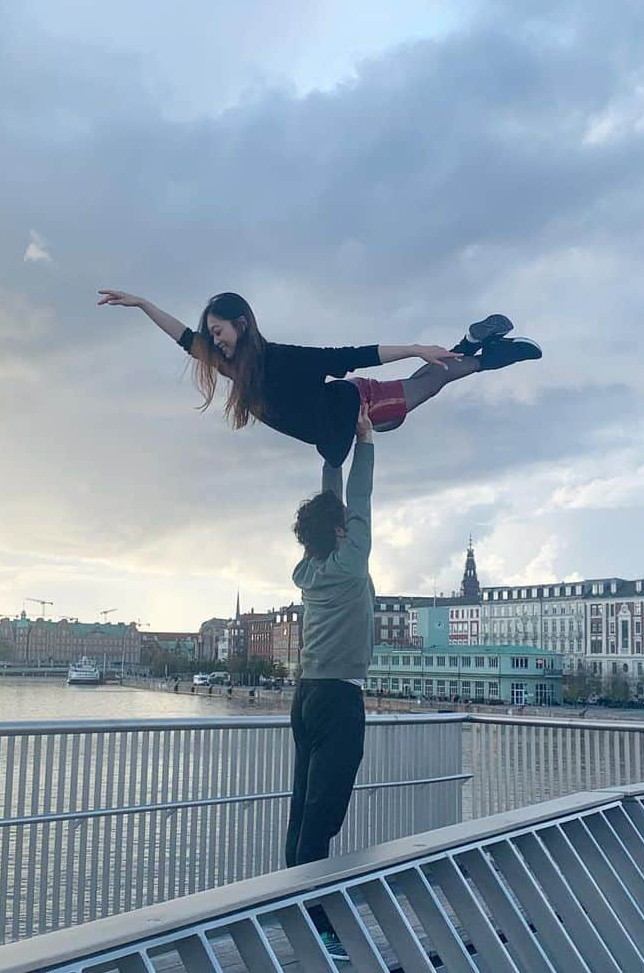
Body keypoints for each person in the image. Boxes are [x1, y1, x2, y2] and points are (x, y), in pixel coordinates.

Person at [96, 289, 540, 468]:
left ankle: (489, 357)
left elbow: (352, 355)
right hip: (348, 414)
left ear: (242, 325)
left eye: (219, 332)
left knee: (428, 383)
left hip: (356, 407)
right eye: (211, 334)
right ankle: (468, 344)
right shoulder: (237, 368)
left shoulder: (281, 359)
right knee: (427, 384)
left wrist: (415, 348)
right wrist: (142, 304)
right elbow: (184, 337)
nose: (214, 342)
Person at [282, 403, 377, 960]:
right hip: (340, 697)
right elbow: (359, 504)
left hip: (306, 697)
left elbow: (335, 510)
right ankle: (315, 924)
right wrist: (363, 445)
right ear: (341, 533)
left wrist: (331, 455)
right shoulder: (350, 561)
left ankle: (292, 902)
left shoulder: (313, 568)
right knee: (324, 813)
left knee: (303, 806)